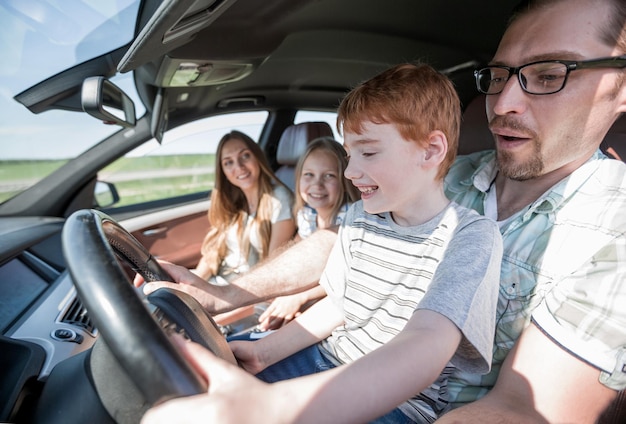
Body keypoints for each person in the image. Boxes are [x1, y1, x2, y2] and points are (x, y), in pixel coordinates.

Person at [138, 0, 626, 422]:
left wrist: (278, 408)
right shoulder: (450, 175)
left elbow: (521, 409)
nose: (502, 104)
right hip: (327, 357)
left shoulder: (611, 230)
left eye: (549, 74)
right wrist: (225, 295)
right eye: (497, 77)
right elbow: (347, 257)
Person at [147, 62, 505, 423]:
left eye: (367, 153)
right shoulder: (360, 219)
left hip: (397, 402)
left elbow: (426, 345)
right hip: (322, 356)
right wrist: (265, 353)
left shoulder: (470, 237)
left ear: (430, 151)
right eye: (350, 155)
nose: (350, 171)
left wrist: (275, 406)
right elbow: (340, 306)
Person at [257, 136, 360, 331]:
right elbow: (296, 252)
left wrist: (299, 296)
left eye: (329, 175)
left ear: (345, 180)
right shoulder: (307, 214)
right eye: (309, 175)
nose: (317, 185)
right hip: (312, 288)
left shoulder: (349, 218)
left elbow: (343, 278)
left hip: (336, 297)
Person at [193, 130, 296, 285]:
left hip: (247, 287)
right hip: (220, 281)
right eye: (228, 162)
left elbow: (272, 265)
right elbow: (213, 253)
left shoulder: (279, 198)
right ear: (223, 172)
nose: (239, 167)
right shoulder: (233, 201)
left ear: (257, 158)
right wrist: (191, 286)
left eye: (245, 156)